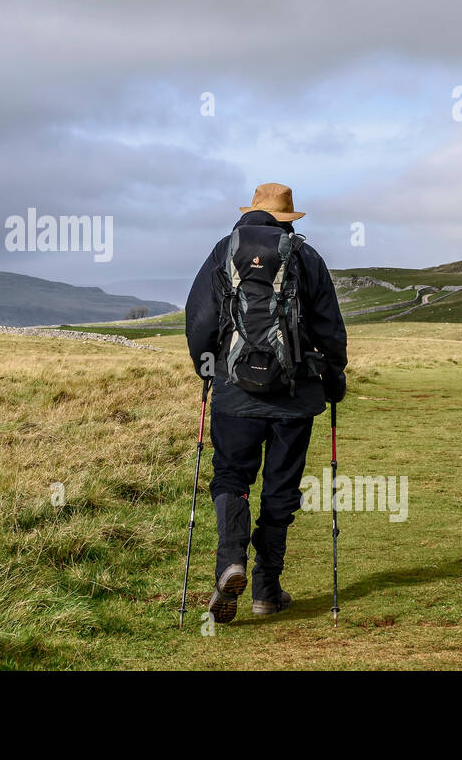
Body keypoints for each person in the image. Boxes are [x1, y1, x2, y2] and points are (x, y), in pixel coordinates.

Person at [185, 183, 348, 623]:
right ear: (287, 218)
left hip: (234, 394)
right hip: (294, 398)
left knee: (231, 478)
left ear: (250, 213)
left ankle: (230, 563)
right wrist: (335, 378)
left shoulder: (225, 251)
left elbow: (199, 318)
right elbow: (330, 326)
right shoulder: (305, 257)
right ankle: (266, 589)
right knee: (280, 490)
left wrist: (206, 369)